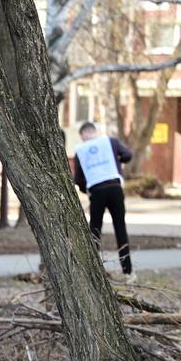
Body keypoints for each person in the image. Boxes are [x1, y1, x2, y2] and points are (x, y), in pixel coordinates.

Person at [73, 121, 135, 283]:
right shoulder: (111, 142)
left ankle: (92, 270)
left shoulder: (80, 150)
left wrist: (86, 190)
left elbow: (78, 179)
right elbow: (128, 155)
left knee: (95, 230)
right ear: (94, 131)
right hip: (115, 188)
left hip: (96, 191)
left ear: (84, 134)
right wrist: (117, 161)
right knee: (120, 228)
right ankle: (128, 271)